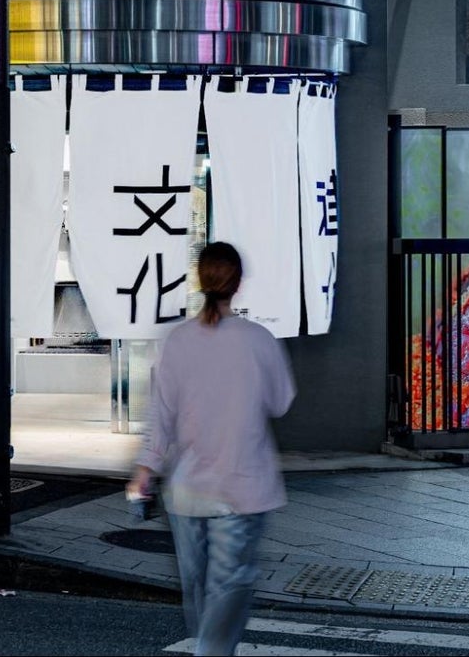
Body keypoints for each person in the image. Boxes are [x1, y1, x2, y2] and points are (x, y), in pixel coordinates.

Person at [128, 242, 295, 657]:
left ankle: (209, 647)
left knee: (199, 586)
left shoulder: (178, 340)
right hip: (240, 484)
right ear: (237, 284)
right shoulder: (259, 340)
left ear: (199, 280)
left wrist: (144, 471)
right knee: (230, 582)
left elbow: (160, 414)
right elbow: (281, 401)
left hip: (187, 489)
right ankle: (212, 652)